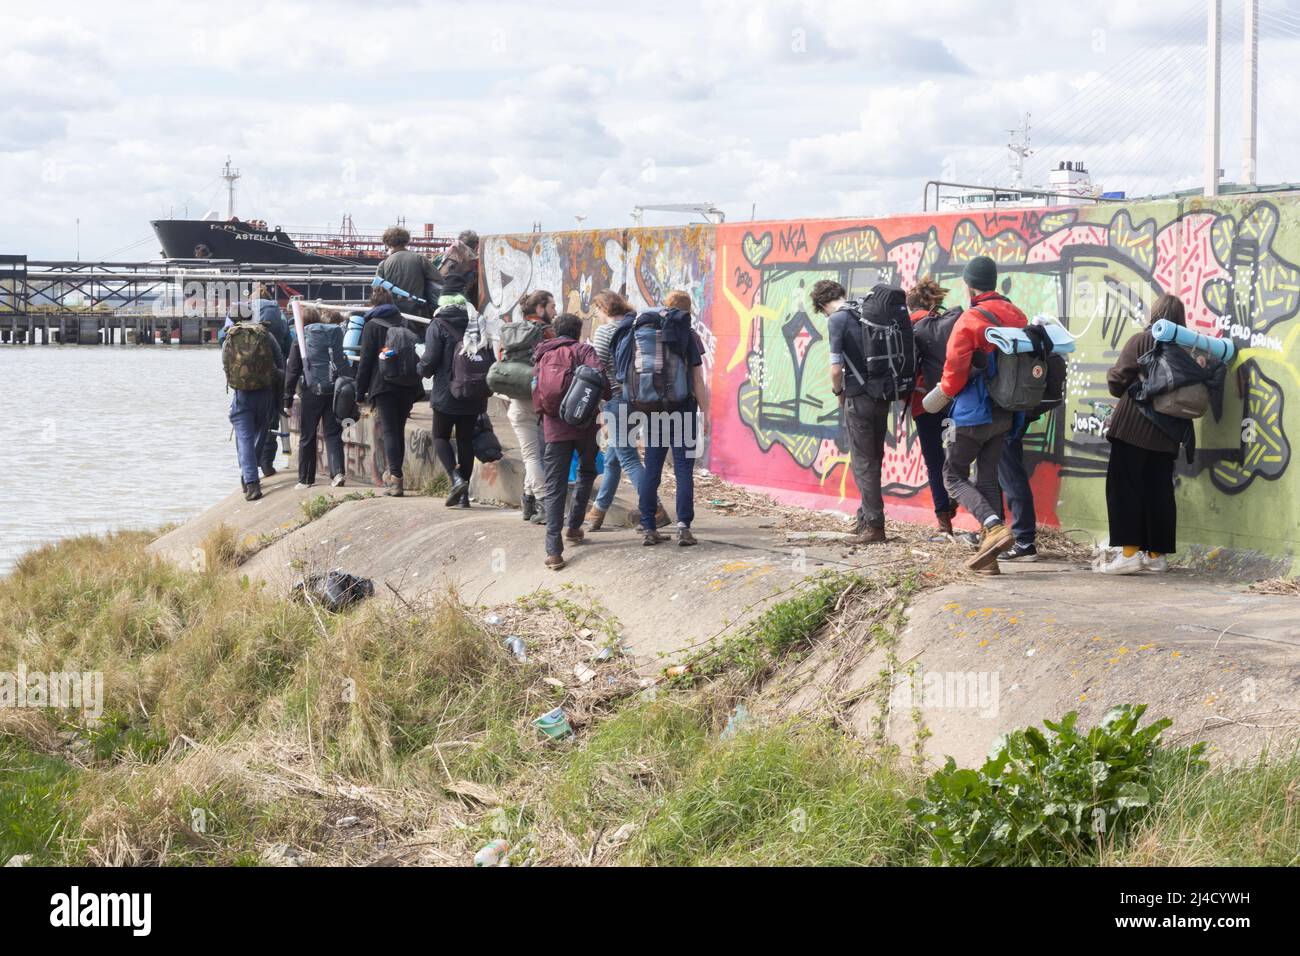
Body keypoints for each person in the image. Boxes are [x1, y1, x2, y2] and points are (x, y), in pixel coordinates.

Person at [921, 255, 1028, 572]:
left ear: (969, 286)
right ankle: (991, 561)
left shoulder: (969, 321)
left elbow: (953, 377)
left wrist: (938, 395)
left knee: (952, 476)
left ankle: (994, 527)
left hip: (971, 413)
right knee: (989, 480)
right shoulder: (1017, 316)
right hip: (1004, 413)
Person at [1097, 293, 1189, 574]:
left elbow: (1117, 380)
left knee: (1124, 489)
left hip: (1134, 427)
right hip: (1169, 432)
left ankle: (1128, 554)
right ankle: (1156, 556)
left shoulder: (1142, 340)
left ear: (1156, 314)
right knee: (1159, 492)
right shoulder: (1187, 348)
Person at [811, 279, 889, 545]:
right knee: (874, 457)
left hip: (858, 398)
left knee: (863, 461)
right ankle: (865, 518)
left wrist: (837, 393)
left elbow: (835, 370)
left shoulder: (837, 320)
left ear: (822, 305)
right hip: (883, 395)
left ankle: (875, 527)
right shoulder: (865, 311)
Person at [585, 290, 668, 532]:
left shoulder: (605, 332)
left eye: (597, 311)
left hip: (617, 401)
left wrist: (599, 406)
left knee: (629, 458)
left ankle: (656, 509)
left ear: (603, 308)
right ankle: (597, 513)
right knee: (614, 457)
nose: (597, 316)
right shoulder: (637, 326)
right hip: (641, 399)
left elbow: (596, 369)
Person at [633, 291, 710, 547]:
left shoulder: (645, 333)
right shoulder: (689, 335)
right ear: (687, 312)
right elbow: (698, 380)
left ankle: (648, 526)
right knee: (683, 469)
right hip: (682, 408)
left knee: (652, 468)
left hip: (653, 408)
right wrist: (705, 412)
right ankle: (683, 527)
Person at [534, 312, 610, 570]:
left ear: (555, 331)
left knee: (554, 485)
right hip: (585, 425)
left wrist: (543, 416)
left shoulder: (543, 353)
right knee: (587, 470)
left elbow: (536, 389)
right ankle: (575, 526)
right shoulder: (584, 350)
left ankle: (553, 552)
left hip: (553, 426)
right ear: (578, 331)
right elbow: (603, 382)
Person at [417, 294, 490, 507]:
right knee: (466, 440)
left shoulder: (437, 325)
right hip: (474, 392)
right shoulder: (477, 322)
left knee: (440, 436)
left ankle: (455, 479)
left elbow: (429, 360)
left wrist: (420, 369)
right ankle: (465, 496)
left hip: (446, 392)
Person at [355, 287, 425, 496]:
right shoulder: (404, 322)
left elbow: (365, 362)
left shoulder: (371, 326)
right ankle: (396, 476)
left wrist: (360, 392)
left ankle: (396, 479)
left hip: (383, 386)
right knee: (398, 429)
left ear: (373, 304)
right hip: (407, 385)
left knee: (389, 431)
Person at [907, 277, 959, 536]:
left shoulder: (910, 327)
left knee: (934, 460)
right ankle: (956, 497)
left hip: (924, 405)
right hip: (952, 400)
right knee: (955, 452)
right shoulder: (950, 324)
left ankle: (944, 522)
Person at [503, 290, 557, 523]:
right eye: (552, 307)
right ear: (539, 309)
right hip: (540, 401)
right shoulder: (547, 333)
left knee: (532, 453)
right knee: (534, 456)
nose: (556, 311)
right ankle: (544, 505)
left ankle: (528, 501)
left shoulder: (511, 332)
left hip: (517, 400)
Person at [284, 307, 348, 489]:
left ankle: (305, 480)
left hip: (311, 392)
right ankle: (338, 473)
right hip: (334, 389)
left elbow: (293, 371)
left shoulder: (302, 339)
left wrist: (287, 400)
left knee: (308, 435)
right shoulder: (331, 335)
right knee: (333, 433)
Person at [222, 314, 284, 501]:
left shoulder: (230, 336)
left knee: (244, 439)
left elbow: (226, 364)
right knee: (260, 435)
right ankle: (249, 474)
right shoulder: (265, 334)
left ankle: (251, 482)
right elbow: (280, 363)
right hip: (265, 393)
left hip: (241, 395)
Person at [376, 226, 441, 317]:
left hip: (393, 314)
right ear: (406, 241)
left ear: (387, 243)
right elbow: (438, 280)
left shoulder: (383, 264)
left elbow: (376, 291)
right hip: (418, 313)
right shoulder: (420, 259)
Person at [438, 229, 480, 306]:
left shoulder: (451, 252)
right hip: (461, 299)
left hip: (443, 298)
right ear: (476, 245)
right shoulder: (470, 260)